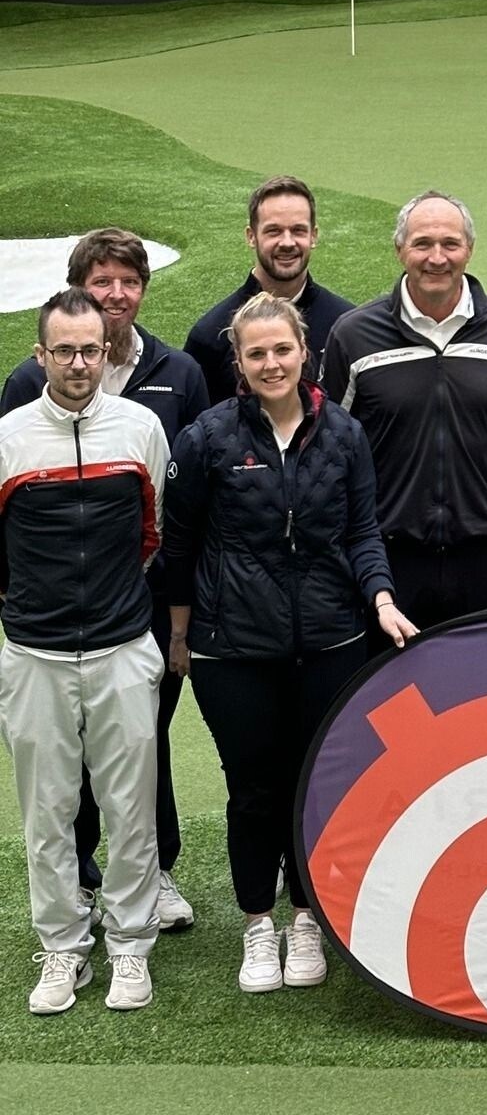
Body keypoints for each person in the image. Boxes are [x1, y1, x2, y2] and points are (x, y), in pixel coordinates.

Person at [162, 293, 417, 994]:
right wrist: (182, 633)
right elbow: (178, 546)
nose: (271, 363)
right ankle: (257, 926)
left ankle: (306, 917)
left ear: (305, 351)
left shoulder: (343, 433)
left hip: (333, 640)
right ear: (238, 365)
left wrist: (382, 599)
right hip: (232, 648)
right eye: (255, 353)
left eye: (282, 349)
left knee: (315, 787)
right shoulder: (207, 439)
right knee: (253, 792)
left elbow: (363, 532)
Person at [1, 227, 207, 933]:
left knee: (142, 754)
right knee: (63, 769)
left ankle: (155, 880)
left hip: (135, 607)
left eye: (129, 280)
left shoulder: (175, 374)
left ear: (143, 291)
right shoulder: (25, 390)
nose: (115, 293)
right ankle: (81, 887)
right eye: (101, 281)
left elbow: (167, 509)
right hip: (49, 619)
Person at [0, 289, 168, 1014]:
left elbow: (153, 534)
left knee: (131, 806)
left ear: (108, 351)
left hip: (122, 645)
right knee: (48, 809)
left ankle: (130, 945)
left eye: (89, 350)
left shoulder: (141, 429)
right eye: (62, 350)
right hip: (34, 653)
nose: (77, 363)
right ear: (40, 355)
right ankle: (64, 946)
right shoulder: (9, 436)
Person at [321, 191, 487, 632]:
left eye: (450, 244)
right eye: (422, 243)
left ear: (470, 250)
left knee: (482, 696)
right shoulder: (354, 336)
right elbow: (329, 456)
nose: (436, 258)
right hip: (390, 563)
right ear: (400, 249)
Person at [184, 175, 354, 405]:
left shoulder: (346, 326)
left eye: (298, 230)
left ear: (313, 236)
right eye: (274, 231)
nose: (287, 242)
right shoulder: (210, 337)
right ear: (251, 236)